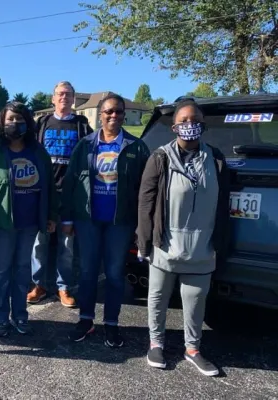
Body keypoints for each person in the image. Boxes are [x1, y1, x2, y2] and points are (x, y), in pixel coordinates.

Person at [136, 98, 230, 376]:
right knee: (157, 298)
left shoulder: (215, 159)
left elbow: (224, 202)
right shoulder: (160, 157)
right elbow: (145, 201)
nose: (190, 125)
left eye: (195, 120)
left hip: (202, 246)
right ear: (174, 127)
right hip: (165, 245)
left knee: (195, 301)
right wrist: (143, 240)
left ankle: (193, 349)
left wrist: (221, 242)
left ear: (203, 125)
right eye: (184, 120)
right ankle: (156, 344)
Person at [61, 93, 150, 348]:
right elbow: (70, 183)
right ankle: (86, 320)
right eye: (109, 111)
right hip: (87, 220)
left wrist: (141, 225)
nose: (114, 116)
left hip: (120, 223)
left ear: (124, 115)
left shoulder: (136, 147)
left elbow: (146, 190)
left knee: (114, 274)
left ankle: (111, 323)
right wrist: (67, 218)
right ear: (100, 115)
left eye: (118, 111)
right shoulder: (85, 145)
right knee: (88, 273)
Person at [0, 101, 57, 337]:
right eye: (10, 119)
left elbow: (50, 187)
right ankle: (0, 318)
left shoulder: (38, 152)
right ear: (2, 123)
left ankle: (20, 315)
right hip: (2, 224)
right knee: (1, 271)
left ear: (28, 123)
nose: (15, 123)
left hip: (30, 223)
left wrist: (51, 215)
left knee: (22, 271)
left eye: (20, 120)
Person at [29, 81, 93, 308]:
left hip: (70, 194)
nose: (64, 97)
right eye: (60, 93)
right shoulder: (43, 123)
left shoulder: (81, 125)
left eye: (68, 94)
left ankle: (63, 287)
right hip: (44, 192)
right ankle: (38, 285)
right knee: (39, 242)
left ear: (74, 99)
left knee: (67, 244)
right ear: (53, 99)